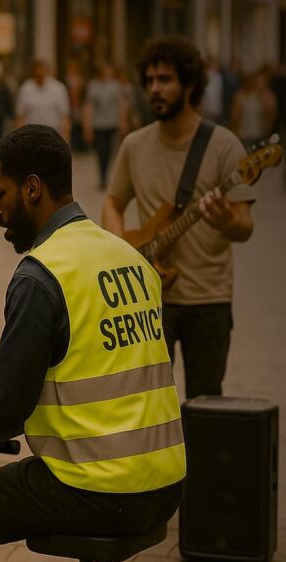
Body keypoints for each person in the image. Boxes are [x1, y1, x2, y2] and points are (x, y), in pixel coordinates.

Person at [0, 124, 185, 562]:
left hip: (99, 489)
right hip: (165, 484)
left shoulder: (41, 274)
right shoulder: (131, 258)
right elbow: (92, 365)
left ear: (32, 188)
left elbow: (7, 409)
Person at [102, 36, 255, 399]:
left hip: (209, 297)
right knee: (150, 401)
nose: (155, 88)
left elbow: (244, 226)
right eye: (150, 80)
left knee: (207, 403)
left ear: (189, 84)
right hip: (151, 298)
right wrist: (125, 249)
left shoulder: (224, 145)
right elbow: (112, 203)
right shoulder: (134, 145)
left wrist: (223, 220)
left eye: (165, 80)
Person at [83, 63, 127, 190]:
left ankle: (111, 176)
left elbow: (122, 104)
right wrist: (87, 126)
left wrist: (122, 121)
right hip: (99, 124)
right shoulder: (93, 86)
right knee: (101, 151)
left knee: (111, 151)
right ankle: (102, 177)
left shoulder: (116, 86)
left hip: (112, 123)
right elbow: (88, 106)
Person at [15, 59, 70, 141]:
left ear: (47, 71)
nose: (40, 76)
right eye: (37, 74)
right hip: (31, 137)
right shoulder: (26, 88)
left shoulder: (58, 88)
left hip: (53, 137)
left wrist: (65, 138)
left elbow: (65, 116)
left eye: (42, 74)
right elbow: (20, 116)